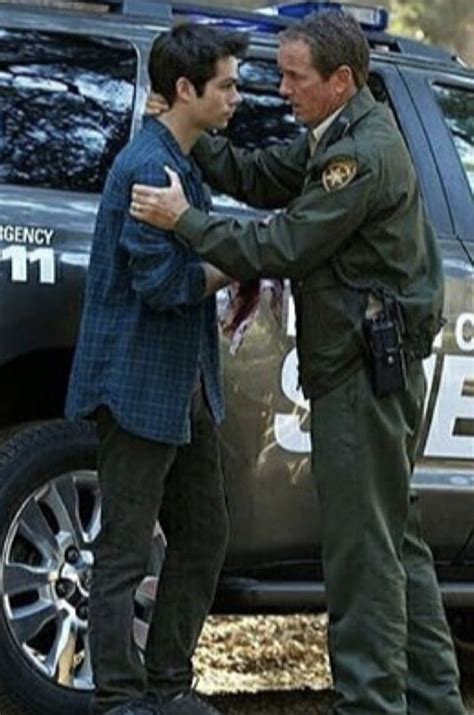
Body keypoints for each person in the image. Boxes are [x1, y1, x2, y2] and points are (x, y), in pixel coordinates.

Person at [129, 12, 467, 715]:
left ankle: (369, 702)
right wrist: (194, 131)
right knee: (394, 544)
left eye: (293, 76)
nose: (279, 88)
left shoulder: (361, 155)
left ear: (341, 80)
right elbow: (261, 174)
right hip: (364, 367)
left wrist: (183, 219)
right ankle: (434, 701)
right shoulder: (336, 133)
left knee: (359, 554)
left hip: (364, 376)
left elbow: (282, 245)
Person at [66, 24, 247, 715]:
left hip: (186, 385)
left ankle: (167, 681)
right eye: (226, 84)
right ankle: (120, 698)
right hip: (138, 383)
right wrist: (238, 261)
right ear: (185, 89)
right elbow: (163, 286)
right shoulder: (148, 166)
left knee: (204, 533)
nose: (236, 94)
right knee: (124, 548)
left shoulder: (183, 155)